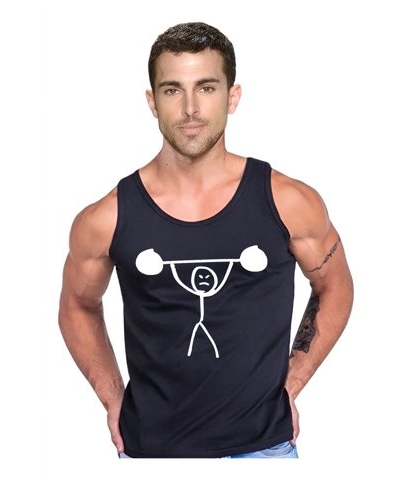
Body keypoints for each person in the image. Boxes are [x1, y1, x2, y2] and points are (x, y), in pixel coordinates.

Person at [58, 22, 354, 459]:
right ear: (152, 101)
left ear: (232, 97)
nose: (191, 108)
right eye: (173, 90)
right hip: (150, 452)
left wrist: (293, 380)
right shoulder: (106, 218)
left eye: (207, 87)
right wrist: (111, 393)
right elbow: (77, 306)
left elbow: (335, 286)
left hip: (264, 450)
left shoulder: (288, 201)